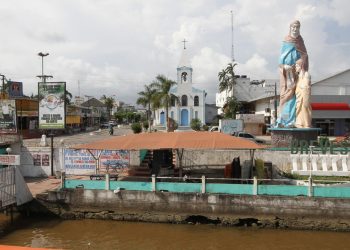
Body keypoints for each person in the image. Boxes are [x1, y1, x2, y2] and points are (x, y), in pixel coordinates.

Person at [276, 20, 309, 128]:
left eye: (297, 27)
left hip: (295, 73)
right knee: (285, 96)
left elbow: (304, 55)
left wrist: (299, 63)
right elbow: (281, 57)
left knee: (293, 97)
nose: (295, 29)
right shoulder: (286, 40)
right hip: (285, 73)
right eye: (293, 27)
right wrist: (284, 66)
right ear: (290, 28)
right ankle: (282, 120)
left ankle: (291, 120)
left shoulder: (300, 40)